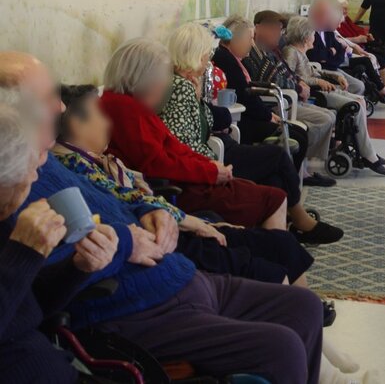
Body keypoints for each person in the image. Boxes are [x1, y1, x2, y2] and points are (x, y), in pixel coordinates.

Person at [1, 50, 324, 384]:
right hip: (134, 307)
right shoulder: (17, 180)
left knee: (305, 306)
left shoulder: (50, 159)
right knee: (282, 348)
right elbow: (45, 280)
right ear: (11, 112)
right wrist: (126, 243)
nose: (61, 107)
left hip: (177, 275)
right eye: (47, 97)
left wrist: (150, 209)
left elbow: (114, 196)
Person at [53, 84, 318, 284]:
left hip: (173, 220)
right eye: (99, 114)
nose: (108, 121)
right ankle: (304, 321)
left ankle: (312, 325)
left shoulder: (97, 160)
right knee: (272, 253)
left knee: (278, 235)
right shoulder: (77, 167)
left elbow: (173, 153)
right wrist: (199, 221)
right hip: (166, 239)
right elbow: (136, 198)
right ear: (76, 122)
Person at [162, 23, 343, 243]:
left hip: (216, 147)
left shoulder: (187, 83)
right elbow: (185, 141)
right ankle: (299, 220)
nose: (209, 60)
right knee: (276, 155)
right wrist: (213, 164)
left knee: (275, 177)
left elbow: (210, 120)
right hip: (211, 158)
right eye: (206, 55)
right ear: (195, 55)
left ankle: (281, 233)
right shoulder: (182, 87)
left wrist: (202, 99)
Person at [100, 39, 290, 231]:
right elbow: (157, 163)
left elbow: (173, 145)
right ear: (145, 80)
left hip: (185, 179)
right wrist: (210, 171)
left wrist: (209, 166)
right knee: (275, 197)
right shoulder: (126, 109)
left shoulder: (130, 105)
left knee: (271, 184)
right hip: (176, 190)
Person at [0, 88, 119, 383]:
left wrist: (77, 267)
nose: (35, 177)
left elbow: (27, 307)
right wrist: (24, 254)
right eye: (30, 166)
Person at [283, 17, 385, 176]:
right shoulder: (291, 52)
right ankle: (368, 153)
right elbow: (290, 78)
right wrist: (317, 80)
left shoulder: (300, 52)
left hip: (322, 87)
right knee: (355, 105)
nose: (315, 37)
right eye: (313, 34)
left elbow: (314, 71)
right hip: (315, 92)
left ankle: (366, 149)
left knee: (360, 100)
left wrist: (334, 76)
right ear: (305, 37)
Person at [247, 10, 337, 185]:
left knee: (330, 116)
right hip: (276, 103)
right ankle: (303, 169)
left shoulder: (269, 52)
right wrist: (298, 86)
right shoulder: (256, 54)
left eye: (280, 29)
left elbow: (285, 74)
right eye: (275, 29)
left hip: (288, 97)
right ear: (258, 28)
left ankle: (306, 166)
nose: (279, 34)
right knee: (323, 120)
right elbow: (272, 80)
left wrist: (298, 84)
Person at [212, 15, 283, 145]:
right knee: (290, 135)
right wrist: (268, 116)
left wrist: (268, 114)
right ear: (235, 40)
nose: (252, 43)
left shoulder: (231, 58)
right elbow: (245, 96)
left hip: (243, 115)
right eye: (250, 38)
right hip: (237, 121)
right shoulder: (226, 60)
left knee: (292, 132)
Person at [307, 0, 366, 96]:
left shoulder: (328, 31)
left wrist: (329, 57)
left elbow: (340, 54)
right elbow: (315, 56)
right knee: (350, 87)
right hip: (320, 71)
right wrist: (331, 53)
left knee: (359, 86)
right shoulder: (309, 31)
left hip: (333, 68)